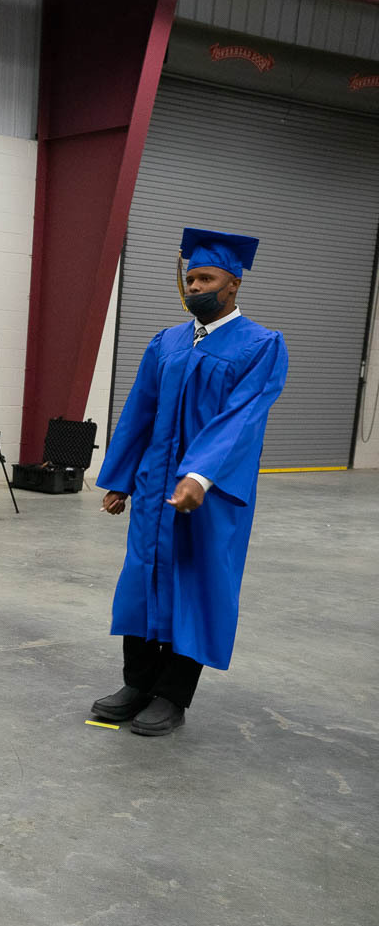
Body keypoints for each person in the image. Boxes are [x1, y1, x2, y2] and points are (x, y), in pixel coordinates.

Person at [93, 227, 288, 736]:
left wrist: (199, 475)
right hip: (155, 487)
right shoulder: (168, 341)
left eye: (207, 279)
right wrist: (121, 480)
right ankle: (138, 684)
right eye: (191, 278)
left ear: (234, 284)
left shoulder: (261, 345)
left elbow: (242, 419)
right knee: (144, 578)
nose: (195, 287)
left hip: (211, 494)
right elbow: (140, 412)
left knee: (197, 583)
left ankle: (172, 696)